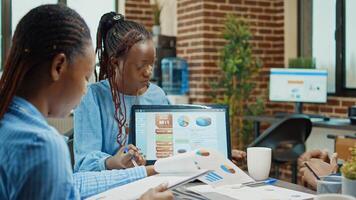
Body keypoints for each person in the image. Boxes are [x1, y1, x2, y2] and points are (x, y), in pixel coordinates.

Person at [0, 4, 172, 200]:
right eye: (85, 77)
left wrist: (146, 172)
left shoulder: (9, 123)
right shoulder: (41, 145)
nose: (84, 89)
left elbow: (74, 184)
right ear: (58, 67)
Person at [73, 12, 169, 172]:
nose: (148, 72)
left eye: (152, 64)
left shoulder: (158, 95)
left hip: (153, 181)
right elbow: (83, 165)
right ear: (115, 63)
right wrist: (111, 162)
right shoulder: (92, 98)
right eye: (141, 66)